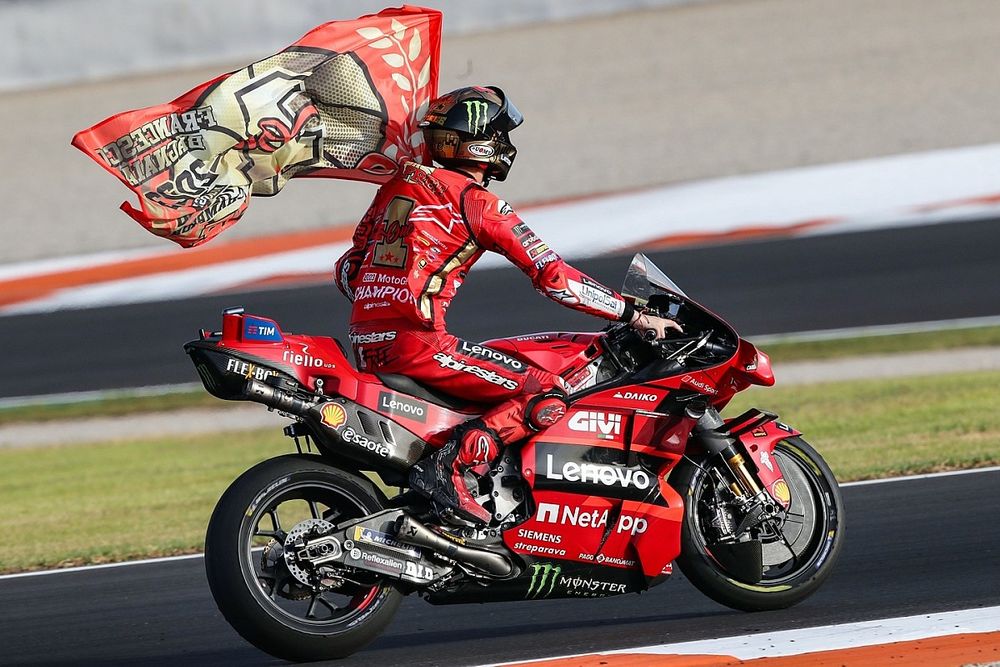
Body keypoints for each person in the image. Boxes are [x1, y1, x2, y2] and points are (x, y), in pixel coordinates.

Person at [335, 86, 679, 526]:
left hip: (367, 344)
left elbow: (349, 266)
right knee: (548, 392)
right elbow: (554, 278)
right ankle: (448, 472)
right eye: (500, 134)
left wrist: (388, 293)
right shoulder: (478, 202)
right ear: (478, 141)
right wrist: (632, 314)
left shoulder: (398, 185)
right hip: (421, 345)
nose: (506, 145)